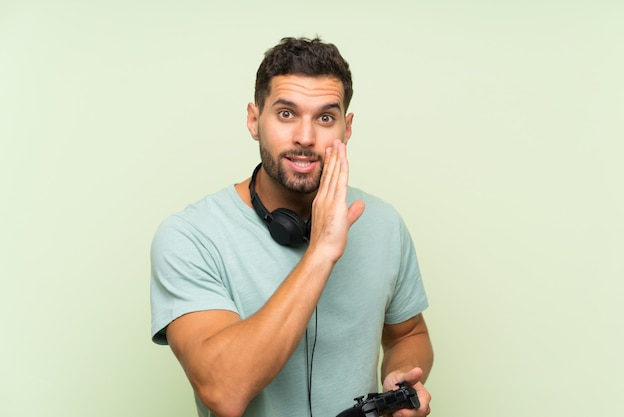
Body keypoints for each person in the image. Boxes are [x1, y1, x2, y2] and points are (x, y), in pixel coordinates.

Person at [150, 36, 433, 417]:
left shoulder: (384, 223)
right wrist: (321, 253)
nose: (305, 136)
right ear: (254, 120)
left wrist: (401, 376)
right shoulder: (190, 237)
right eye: (286, 114)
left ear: (346, 129)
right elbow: (223, 391)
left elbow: (409, 334)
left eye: (325, 118)